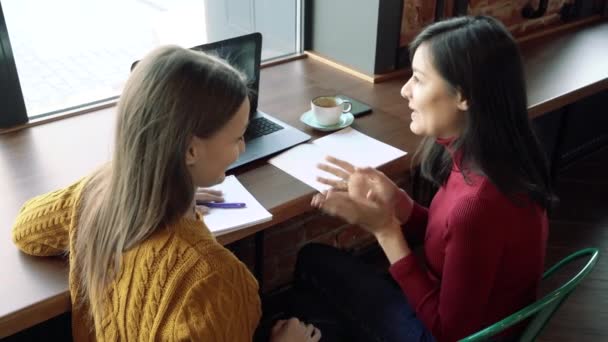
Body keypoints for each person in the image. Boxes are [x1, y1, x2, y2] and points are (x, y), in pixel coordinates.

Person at [12, 46, 320, 342]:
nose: (241, 148)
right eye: (238, 137)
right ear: (190, 150)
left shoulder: (94, 192)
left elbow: (26, 230)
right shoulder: (214, 281)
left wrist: (169, 195)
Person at [294, 15, 555, 342]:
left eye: (418, 79)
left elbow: (450, 333)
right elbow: (451, 243)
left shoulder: (478, 204)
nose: (405, 90)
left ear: (463, 96)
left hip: (447, 333)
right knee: (319, 268)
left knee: (312, 264)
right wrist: (399, 203)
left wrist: (385, 231)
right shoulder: (496, 160)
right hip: (468, 315)